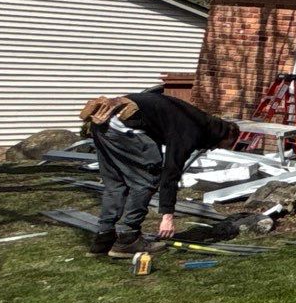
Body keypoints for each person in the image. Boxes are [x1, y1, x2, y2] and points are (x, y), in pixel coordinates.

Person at [79, 88, 241, 258]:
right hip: (122, 127)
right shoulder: (191, 130)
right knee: (146, 180)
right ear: (226, 135)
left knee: (116, 184)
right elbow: (171, 172)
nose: (213, 148)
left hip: (101, 122)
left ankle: (103, 239)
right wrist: (167, 216)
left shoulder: (193, 118)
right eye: (219, 146)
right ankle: (128, 239)